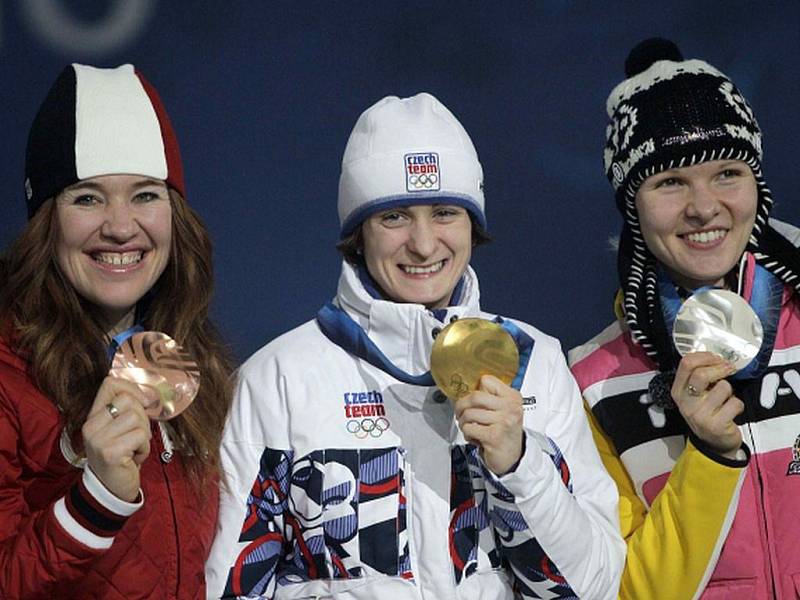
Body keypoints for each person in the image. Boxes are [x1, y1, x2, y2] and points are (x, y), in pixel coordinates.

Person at [206, 92, 624, 599]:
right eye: (395, 217)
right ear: (358, 233)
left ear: (474, 224)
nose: (424, 244)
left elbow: (593, 589)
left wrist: (519, 465)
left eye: (445, 212)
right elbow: (230, 590)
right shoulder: (276, 380)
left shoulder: (534, 359)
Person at [569, 38, 800, 599]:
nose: (703, 206)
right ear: (633, 204)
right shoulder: (591, 384)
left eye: (727, 173)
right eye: (670, 181)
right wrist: (709, 456)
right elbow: (627, 591)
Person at [0, 64, 234, 598]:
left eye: (146, 195)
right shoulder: (8, 375)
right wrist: (96, 496)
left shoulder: (199, 363)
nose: (121, 226)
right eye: (87, 197)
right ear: (45, 220)